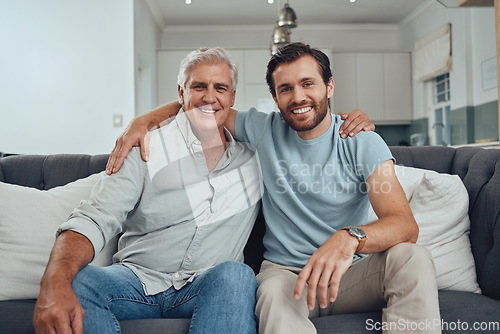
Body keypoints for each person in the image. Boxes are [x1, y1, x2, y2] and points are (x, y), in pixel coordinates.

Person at [106, 43, 441, 334]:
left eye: (308, 83)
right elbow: (203, 105)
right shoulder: (264, 129)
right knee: (274, 303)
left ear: (329, 86)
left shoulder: (361, 141)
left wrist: (349, 237)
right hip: (286, 277)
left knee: (412, 258)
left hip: (349, 274)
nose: (298, 97)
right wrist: (141, 121)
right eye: (286, 89)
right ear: (275, 98)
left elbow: (404, 225)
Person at [33, 47, 263, 334]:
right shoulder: (144, 147)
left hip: (207, 285)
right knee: (82, 281)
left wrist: (339, 129)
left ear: (232, 97)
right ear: (181, 93)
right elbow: (95, 217)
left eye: (220, 88)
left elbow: (304, 136)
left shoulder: (254, 158)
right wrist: (54, 282)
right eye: (199, 86)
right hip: (136, 280)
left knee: (237, 275)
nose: (209, 96)